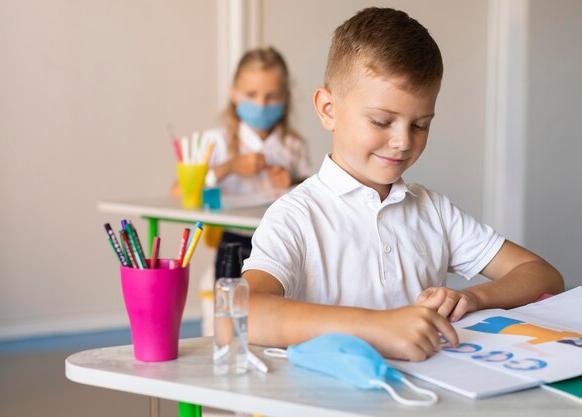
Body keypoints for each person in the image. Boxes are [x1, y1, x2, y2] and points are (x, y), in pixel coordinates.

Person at [241, 7, 564, 362]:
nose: (403, 142)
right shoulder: (297, 215)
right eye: (382, 121)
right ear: (329, 109)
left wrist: (474, 297)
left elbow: (542, 275)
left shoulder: (433, 210)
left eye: (420, 125)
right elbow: (246, 313)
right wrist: (376, 327)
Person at [201, 47, 311, 278]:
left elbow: (311, 195)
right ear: (234, 94)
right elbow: (179, 193)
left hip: (280, 243)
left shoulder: (293, 146)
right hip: (232, 242)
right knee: (230, 306)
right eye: (251, 94)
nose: (261, 104)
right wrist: (229, 167)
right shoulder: (216, 142)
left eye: (271, 96)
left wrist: (291, 181)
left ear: (286, 98)